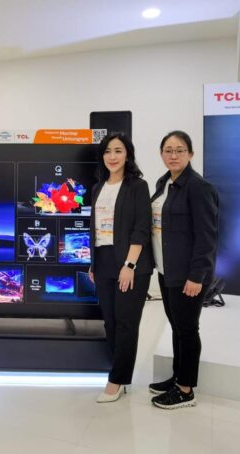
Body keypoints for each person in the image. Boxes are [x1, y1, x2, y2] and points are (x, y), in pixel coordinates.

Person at [149, 130, 219, 409]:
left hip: (188, 274)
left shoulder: (199, 188)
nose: (173, 155)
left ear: (190, 154)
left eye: (179, 150)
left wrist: (196, 276)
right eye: (168, 150)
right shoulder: (163, 183)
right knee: (177, 326)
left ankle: (186, 390)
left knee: (187, 329)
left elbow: (207, 237)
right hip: (166, 270)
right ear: (161, 154)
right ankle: (178, 376)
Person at [89, 132, 153, 403]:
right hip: (103, 260)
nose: (112, 156)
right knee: (111, 322)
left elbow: (141, 228)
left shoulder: (137, 186)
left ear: (128, 155)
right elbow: (95, 230)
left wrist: (129, 265)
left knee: (126, 323)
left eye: (118, 151)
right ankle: (120, 374)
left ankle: (116, 380)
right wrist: (93, 263)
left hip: (130, 263)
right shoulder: (98, 187)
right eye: (107, 151)